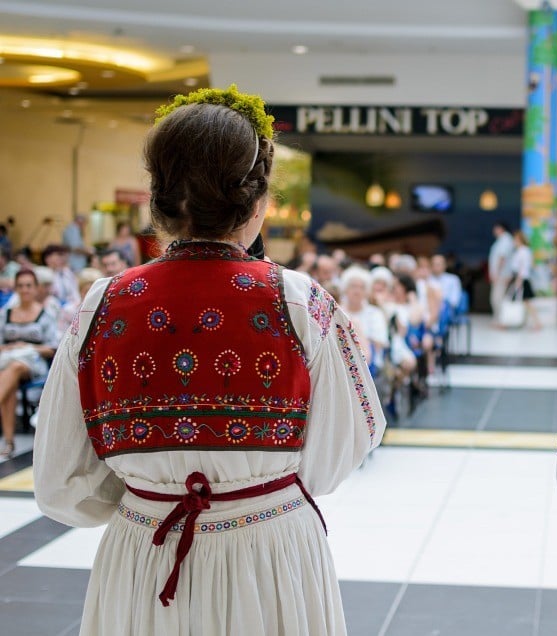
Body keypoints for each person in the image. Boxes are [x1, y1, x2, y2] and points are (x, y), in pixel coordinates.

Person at [33, 86, 386, 635]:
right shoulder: (299, 300)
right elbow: (347, 443)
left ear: (159, 199)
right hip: (270, 549)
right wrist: (253, 486)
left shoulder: (101, 303)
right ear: (257, 201)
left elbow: (60, 481)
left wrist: (150, 496)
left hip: (145, 551)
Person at [0, 269, 59, 458]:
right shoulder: (5, 313)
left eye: (28, 285)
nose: (24, 290)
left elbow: (53, 348)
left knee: (16, 367)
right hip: (7, 362)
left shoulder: (45, 314)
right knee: (10, 384)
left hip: (34, 362)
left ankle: (9, 441)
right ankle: (9, 443)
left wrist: (28, 347)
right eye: (20, 286)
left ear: (35, 288)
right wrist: (10, 348)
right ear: (16, 288)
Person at [506, 231, 541, 330]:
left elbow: (523, 267)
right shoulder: (522, 251)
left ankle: (536, 323)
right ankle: (530, 322)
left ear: (519, 240)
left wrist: (519, 280)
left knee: (526, 302)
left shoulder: (523, 251)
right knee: (525, 302)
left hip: (521, 278)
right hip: (520, 278)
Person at [488, 221, 514, 322]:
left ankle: (501, 321)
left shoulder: (505, 240)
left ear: (501, 228)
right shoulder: (502, 240)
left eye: (495, 228)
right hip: (500, 275)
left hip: (501, 275)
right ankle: (499, 320)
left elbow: (502, 258)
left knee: (497, 299)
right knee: (497, 298)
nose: (494, 231)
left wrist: (496, 274)